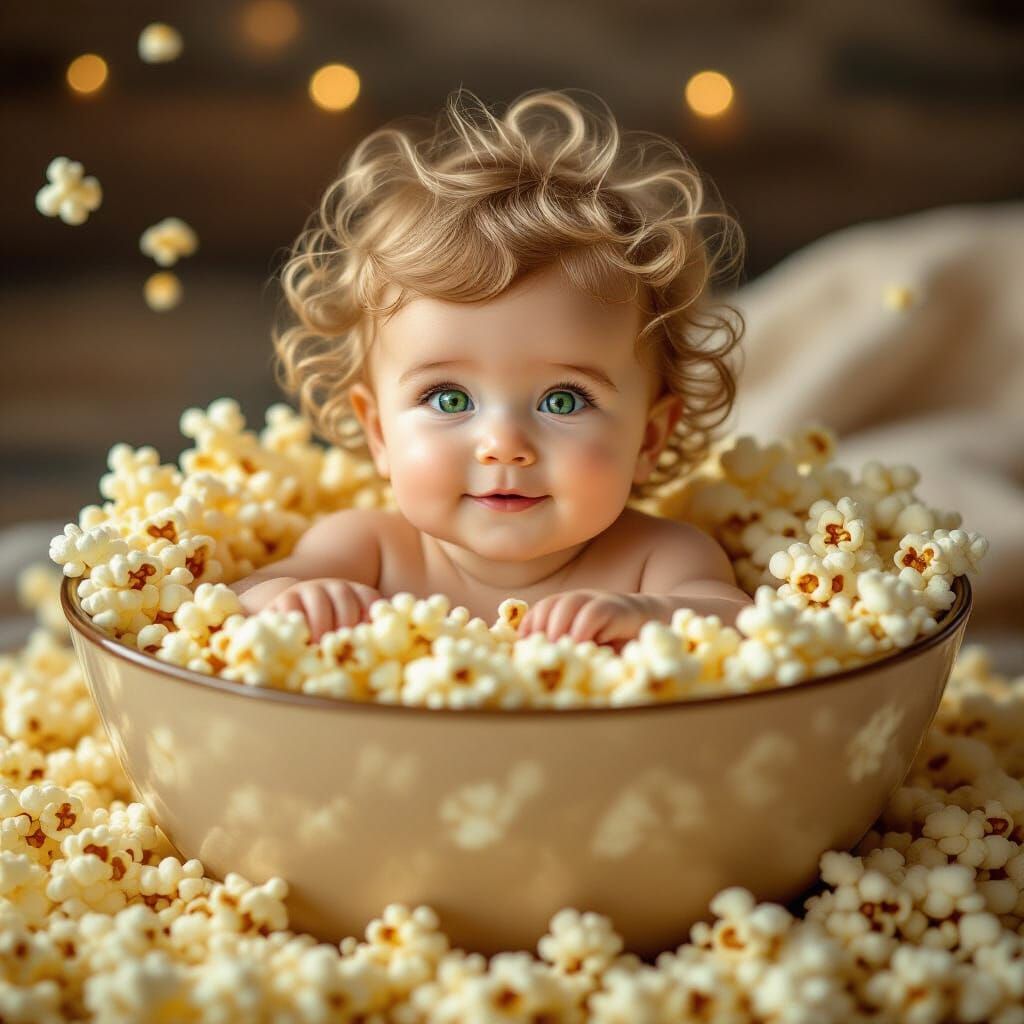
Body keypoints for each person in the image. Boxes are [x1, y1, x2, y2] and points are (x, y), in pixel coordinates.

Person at [230, 86, 753, 648]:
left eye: (564, 400)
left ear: (649, 438)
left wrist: (648, 616)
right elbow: (235, 599)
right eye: (449, 398)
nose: (503, 444)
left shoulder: (659, 559)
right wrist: (290, 599)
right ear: (379, 431)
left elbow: (740, 624)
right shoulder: (368, 548)